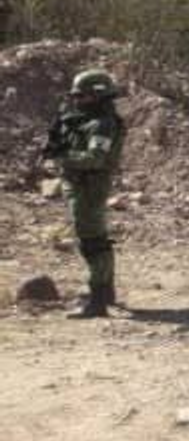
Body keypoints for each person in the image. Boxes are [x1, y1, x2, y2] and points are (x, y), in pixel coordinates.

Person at [44, 69, 125, 319]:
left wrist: (63, 157)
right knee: (98, 240)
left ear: (100, 96)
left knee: (92, 244)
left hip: (90, 187)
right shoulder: (86, 119)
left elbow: (95, 158)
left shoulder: (103, 124)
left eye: (85, 97)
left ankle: (97, 301)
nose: (78, 101)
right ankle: (105, 293)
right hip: (83, 186)